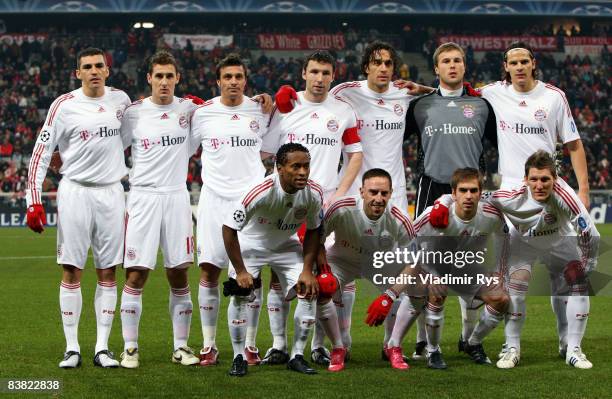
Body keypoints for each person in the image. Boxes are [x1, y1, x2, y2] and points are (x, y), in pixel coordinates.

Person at [475, 42, 592, 363]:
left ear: (533, 63)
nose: (520, 66)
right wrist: (422, 88)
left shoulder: (553, 96)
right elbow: (455, 91)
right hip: (513, 197)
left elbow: (574, 144)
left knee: (567, 277)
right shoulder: (494, 92)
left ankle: (569, 343)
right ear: (506, 66)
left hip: (548, 189)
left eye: (525, 61)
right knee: (519, 279)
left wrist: (583, 191)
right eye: (514, 62)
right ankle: (511, 345)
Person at [431, 151, 599, 369]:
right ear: (525, 180)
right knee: (516, 287)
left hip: (560, 240)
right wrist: (443, 202)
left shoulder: (565, 196)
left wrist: (588, 264)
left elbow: (589, 231)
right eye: (534, 179)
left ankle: (573, 349)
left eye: (545, 179)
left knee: (578, 283)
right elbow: (471, 195)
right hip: (523, 242)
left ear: (555, 180)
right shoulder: (508, 195)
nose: (539, 185)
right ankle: (512, 348)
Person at [25, 47, 131, 368]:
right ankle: (72, 348)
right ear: (78, 73)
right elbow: (41, 152)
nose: (94, 71)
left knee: (108, 271)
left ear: (107, 71)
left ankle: (102, 348)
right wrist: (34, 201)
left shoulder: (122, 101)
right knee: (72, 269)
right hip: (75, 193)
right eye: (87, 67)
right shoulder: (64, 105)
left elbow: (140, 126)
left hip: (112, 193)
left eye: (99, 65)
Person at [262, 50, 362, 365]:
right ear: (304, 73)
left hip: (326, 203)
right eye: (314, 72)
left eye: (325, 73)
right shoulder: (286, 106)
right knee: (279, 275)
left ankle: (321, 345)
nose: (319, 79)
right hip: (286, 204)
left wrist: (340, 194)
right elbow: (266, 151)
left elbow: (355, 154)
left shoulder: (344, 110)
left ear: (334, 75)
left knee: (328, 275)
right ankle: (279, 344)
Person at [404, 42, 497, 359]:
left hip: (469, 192)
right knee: (424, 268)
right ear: (437, 68)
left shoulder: (482, 106)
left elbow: (502, 141)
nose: (453, 65)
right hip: (431, 187)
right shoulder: (420, 106)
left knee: (469, 263)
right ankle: (422, 341)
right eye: (446, 61)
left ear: (464, 67)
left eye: (458, 60)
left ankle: (469, 339)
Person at [367, 168, 509, 370]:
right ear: (454, 193)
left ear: (480, 192)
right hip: (431, 266)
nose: (468, 196)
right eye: (463, 190)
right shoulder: (434, 216)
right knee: (436, 289)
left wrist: (500, 274)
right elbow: (408, 244)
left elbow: (504, 240)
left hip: (464, 267)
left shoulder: (491, 214)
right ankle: (433, 351)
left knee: (501, 298)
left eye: (473, 191)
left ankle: (473, 343)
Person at [117, 51, 200, 369]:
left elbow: (224, 110)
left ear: (177, 78)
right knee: (136, 274)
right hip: (143, 198)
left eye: (170, 76)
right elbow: (111, 146)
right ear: (149, 78)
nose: (164, 81)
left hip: (177, 198)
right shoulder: (133, 114)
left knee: (179, 273)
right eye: (159, 76)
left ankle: (181, 347)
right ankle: (130, 348)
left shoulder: (190, 109)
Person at [191, 53, 273, 367]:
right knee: (209, 270)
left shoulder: (261, 110)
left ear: (245, 80)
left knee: (253, 273)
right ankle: (209, 344)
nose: (234, 82)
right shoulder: (203, 113)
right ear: (218, 81)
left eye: (239, 77)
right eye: (228, 77)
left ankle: (250, 343)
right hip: (214, 200)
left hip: (251, 201)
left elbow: (272, 147)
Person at [223, 143, 323, 376]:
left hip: (286, 246)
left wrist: (307, 270)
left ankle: (297, 355)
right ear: (279, 168)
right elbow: (229, 229)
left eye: (306, 166)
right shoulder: (260, 191)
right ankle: (239, 357)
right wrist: (240, 271)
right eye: (295, 166)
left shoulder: (314, 193)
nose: (303, 172)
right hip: (252, 245)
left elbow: (314, 230)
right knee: (240, 294)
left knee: (308, 290)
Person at [318, 168, 417, 371]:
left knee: (417, 289)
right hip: (342, 259)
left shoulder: (399, 219)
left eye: (384, 193)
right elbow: (316, 240)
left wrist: (389, 296)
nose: (378, 198)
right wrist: (323, 269)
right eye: (373, 192)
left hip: (379, 262)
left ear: (391, 193)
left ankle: (393, 345)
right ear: (362, 191)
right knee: (322, 289)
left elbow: (414, 262)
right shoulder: (341, 208)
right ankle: (338, 348)